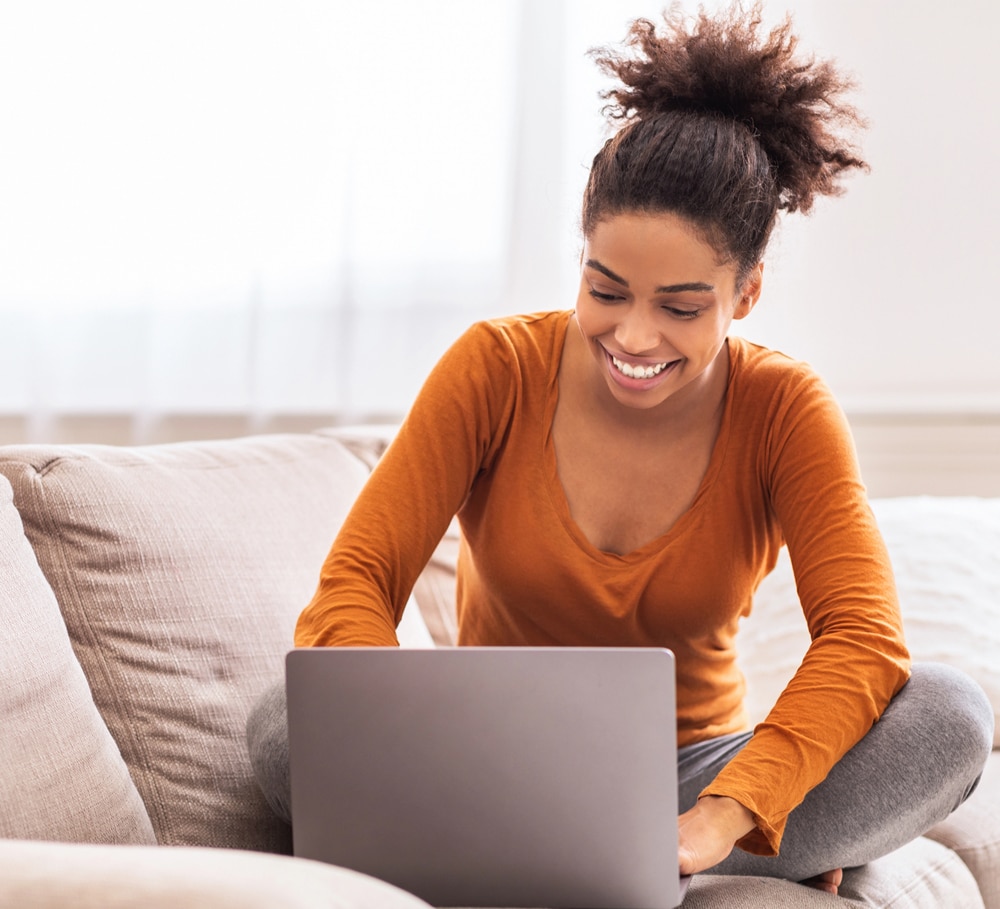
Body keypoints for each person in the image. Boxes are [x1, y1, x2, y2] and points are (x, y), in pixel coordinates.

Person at [248, 3, 993, 896]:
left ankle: (642, 850)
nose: (634, 337)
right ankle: (583, 843)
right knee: (285, 724)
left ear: (746, 293)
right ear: (583, 259)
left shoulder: (786, 407)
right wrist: (405, 734)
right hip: (486, 757)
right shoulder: (497, 366)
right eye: (606, 290)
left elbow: (865, 642)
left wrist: (724, 812)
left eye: (680, 307)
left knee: (950, 714)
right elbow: (356, 584)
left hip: (689, 783)